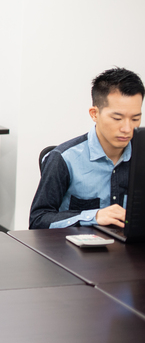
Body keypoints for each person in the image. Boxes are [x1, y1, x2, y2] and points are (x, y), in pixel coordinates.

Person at [29, 68, 144, 229]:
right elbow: (38, 220)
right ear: (94, 114)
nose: (127, 128)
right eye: (117, 118)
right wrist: (93, 216)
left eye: (135, 119)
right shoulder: (64, 158)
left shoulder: (141, 155)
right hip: (75, 251)